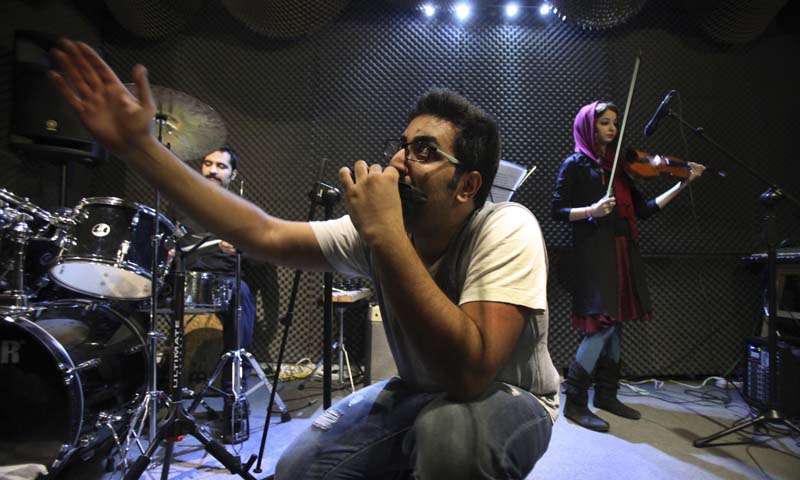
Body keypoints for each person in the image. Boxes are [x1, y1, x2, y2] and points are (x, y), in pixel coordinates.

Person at [49, 39, 560, 479]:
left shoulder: (504, 227)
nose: (399, 160)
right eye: (402, 145)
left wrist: (386, 238)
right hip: (419, 389)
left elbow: (470, 377)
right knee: (300, 468)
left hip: (505, 395)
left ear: (469, 185)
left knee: (449, 436)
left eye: (424, 151)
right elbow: (261, 232)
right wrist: (140, 148)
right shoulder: (378, 230)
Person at [551, 100, 705, 432]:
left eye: (615, 123)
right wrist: (591, 210)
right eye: (604, 123)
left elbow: (644, 210)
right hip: (594, 253)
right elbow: (558, 210)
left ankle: (607, 395)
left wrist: (682, 183)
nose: (612, 129)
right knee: (603, 324)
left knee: (617, 322)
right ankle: (575, 403)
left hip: (622, 249)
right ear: (588, 127)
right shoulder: (576, 164)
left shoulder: (620, 166)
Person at [167, 145, 256, 444]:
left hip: (224, 281)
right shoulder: (180, 204)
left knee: (241, 296)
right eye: (208, 164)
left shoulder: (241, 210)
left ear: (233, 174)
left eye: (221, 166)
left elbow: (260, 252)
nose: (213, 170)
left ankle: (234, 408)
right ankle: (161, 403)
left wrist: (243, 247)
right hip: (182, 278)